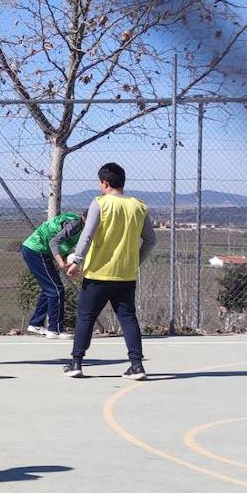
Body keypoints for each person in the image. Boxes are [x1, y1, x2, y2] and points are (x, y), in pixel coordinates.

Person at [63, 163, 156, 380]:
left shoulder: (100, 203)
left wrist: (77, 260)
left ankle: (76, 362)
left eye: (100, 183)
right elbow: (151, 240)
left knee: (86, 316)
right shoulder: (139, 206)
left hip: (98, 273)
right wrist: (135, 262)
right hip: (126, 274)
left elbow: (87, 235)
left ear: (105, 183)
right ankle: (137, 365)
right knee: (128, 317)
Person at [20, 210, 85, 339]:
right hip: (36, 250)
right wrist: (62, 264)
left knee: (49, 289)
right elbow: (54, 242)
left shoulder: (75, 222)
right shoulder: (76, 225)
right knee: (56, 290)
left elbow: (61, 243)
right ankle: (55, 329)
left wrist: (66, 263)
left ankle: (36, 323)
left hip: (34, 250)